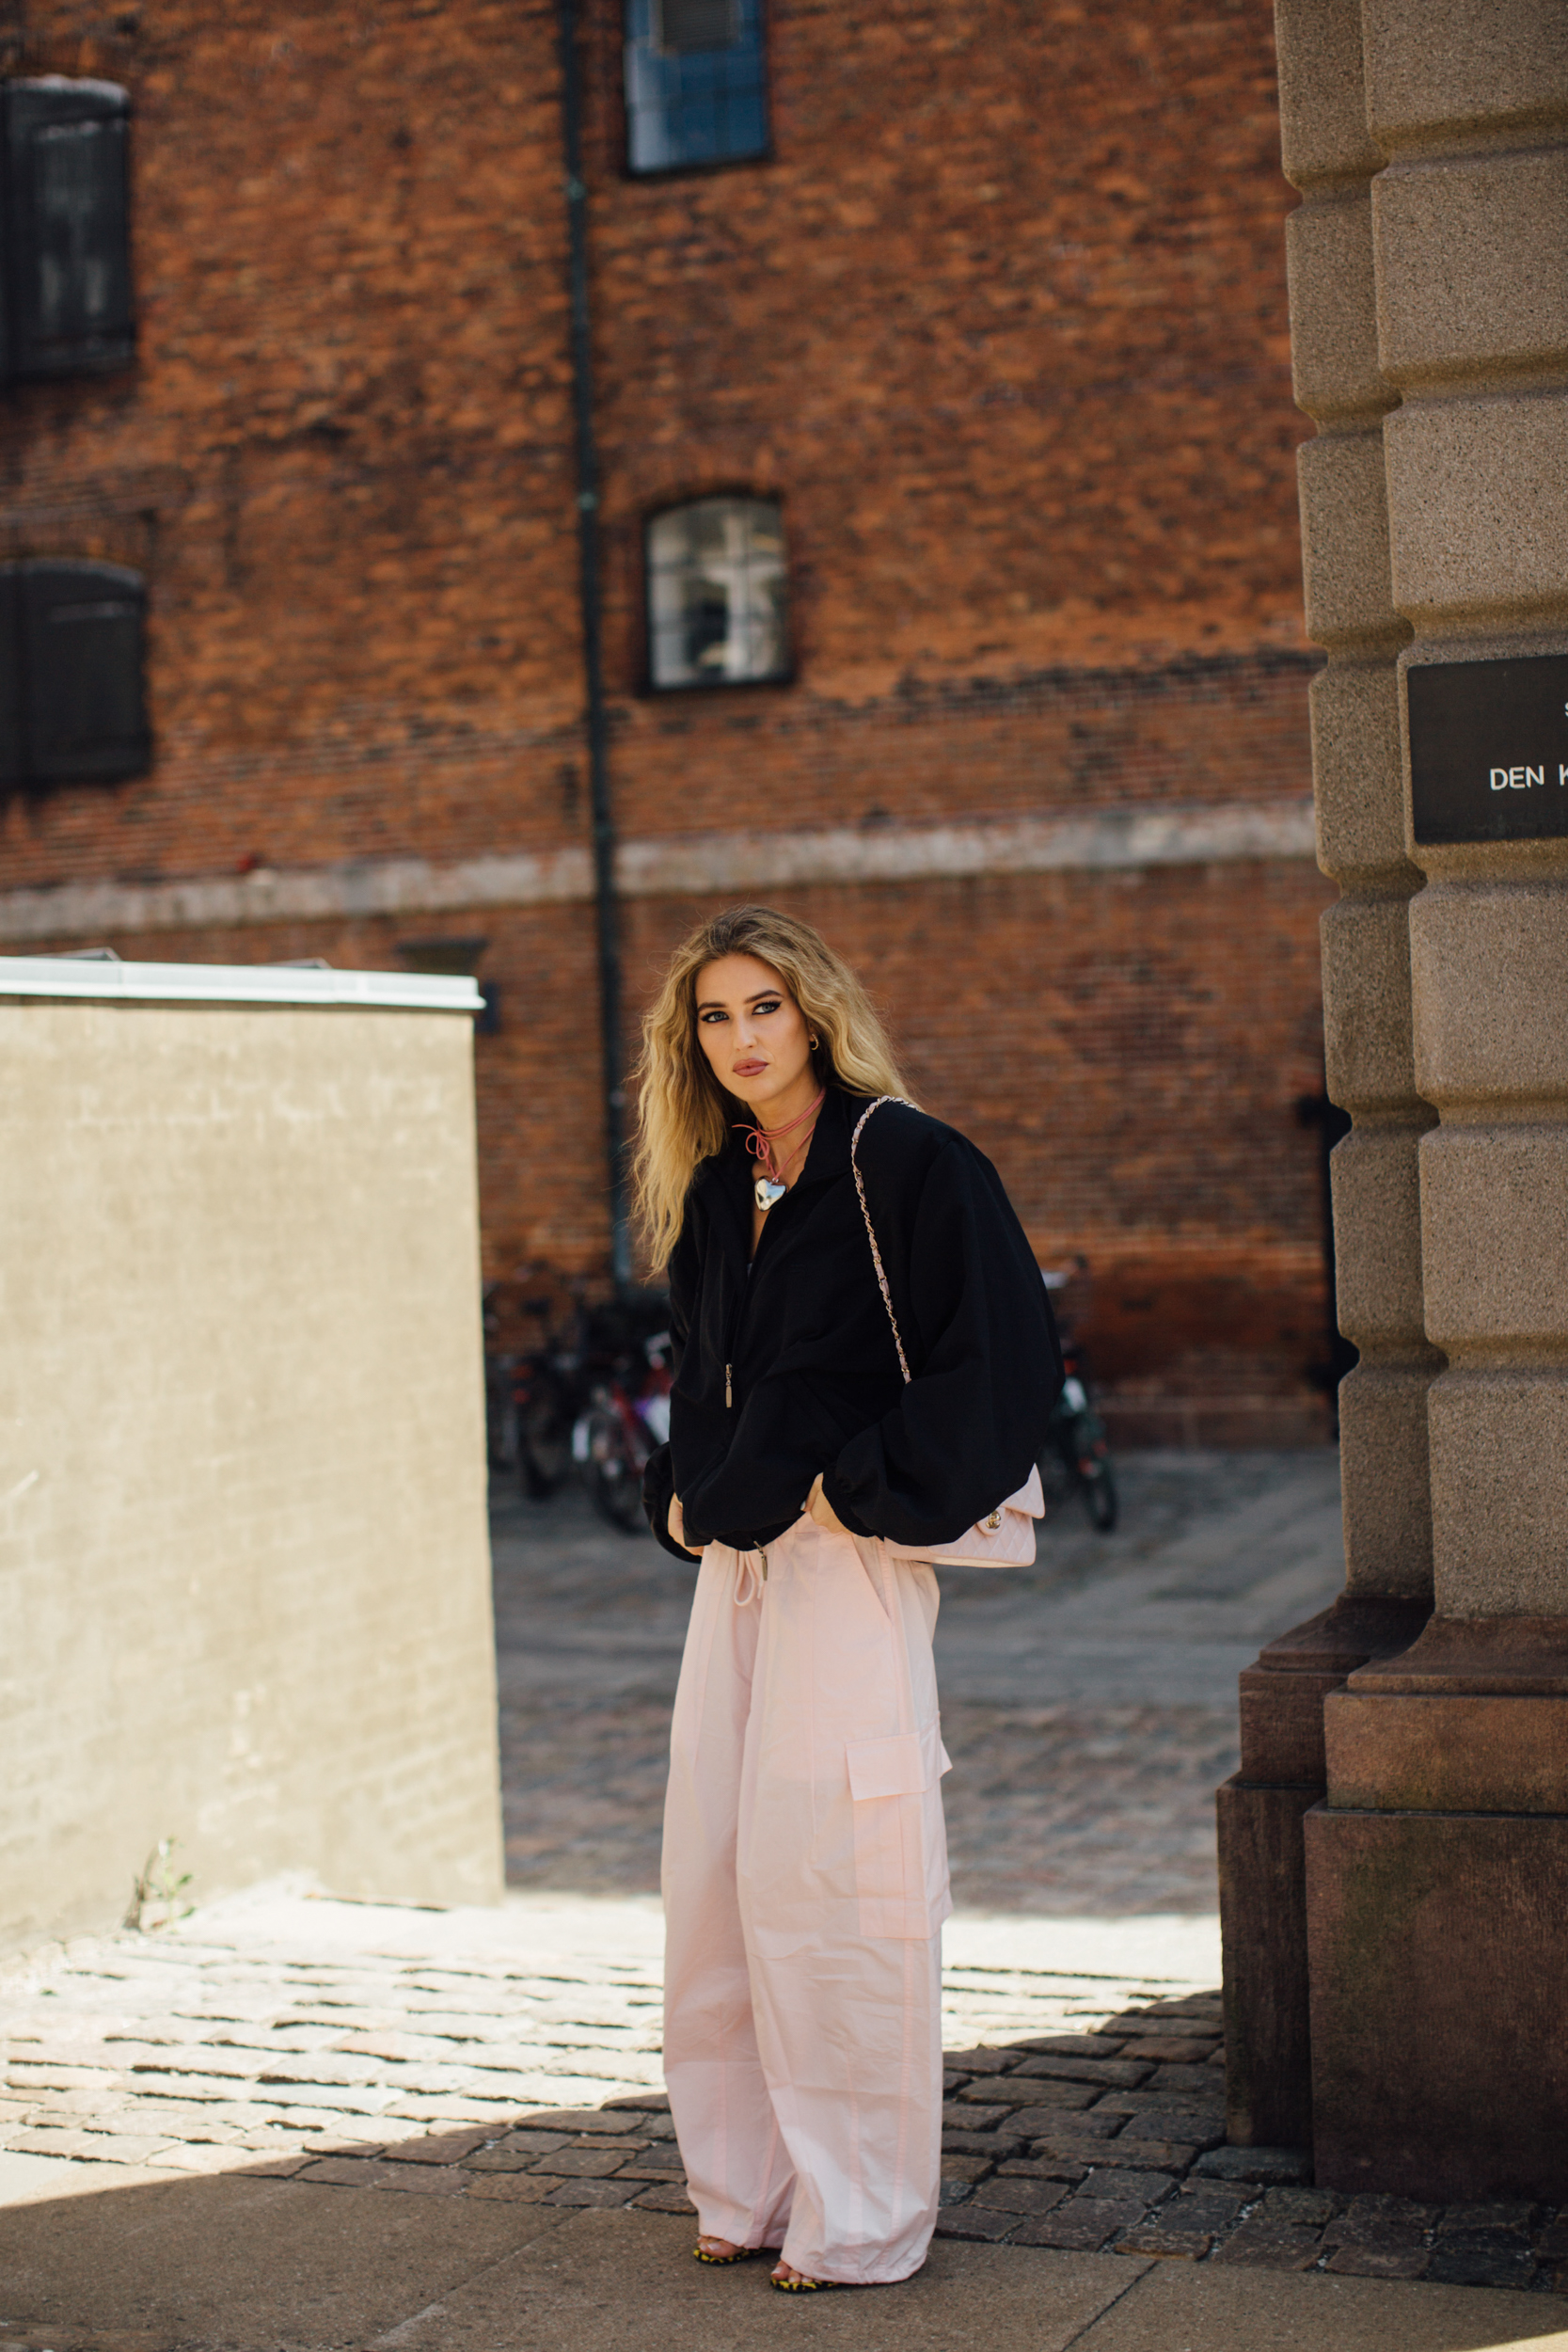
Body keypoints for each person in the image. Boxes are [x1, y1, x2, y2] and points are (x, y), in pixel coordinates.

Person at [635, 903, 1061, 2292]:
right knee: (715, 1882)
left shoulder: (908, 1159)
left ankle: (860, 2214)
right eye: (715, 1016)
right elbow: (701, 1373)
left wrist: (851, 1488)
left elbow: (1003, 1354)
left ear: (813, 1011)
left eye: (764, 1006)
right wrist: (684, 1496)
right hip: (738, 1569)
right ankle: (746, 2188)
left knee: (837, 1884)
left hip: (845, 1559)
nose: (742, 1038)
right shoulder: (719, 1185)